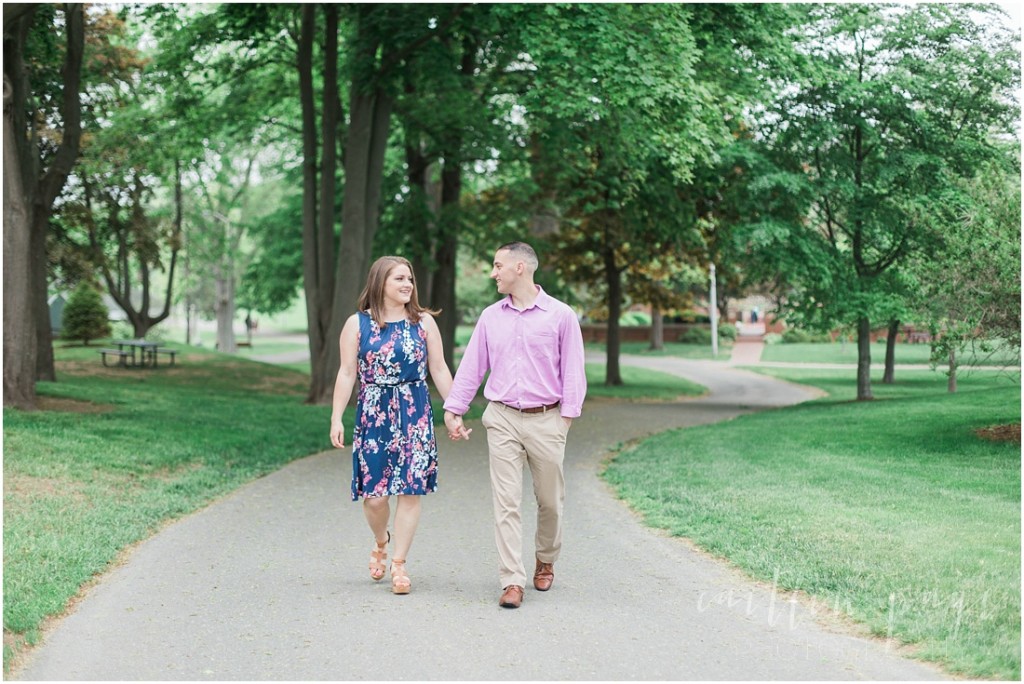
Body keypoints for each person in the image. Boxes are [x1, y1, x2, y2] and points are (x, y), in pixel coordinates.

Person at [443, 241, 587, 609]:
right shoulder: (491, 317)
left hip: (547, 419)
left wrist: (565, 419)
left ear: (520, 268)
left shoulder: (561, 315)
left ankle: (546, 558)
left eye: (497, 266)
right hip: (503, 417)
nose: (494, 273)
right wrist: (454, 408)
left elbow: (573, 370)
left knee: (550, 502)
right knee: (506, 502)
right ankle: (512, 580)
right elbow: (473, 365)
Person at [330, 256, 455, 595]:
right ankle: (381, 540)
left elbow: (439, 369)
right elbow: (346, 373)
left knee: (410, 490)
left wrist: (454, 410)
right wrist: (336, 417)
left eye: (410, 279)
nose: (407, 285)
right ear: (380, 282)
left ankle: (399, 563)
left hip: (415, 413)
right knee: (374, 498)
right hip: (374, 414)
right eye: (399, 278)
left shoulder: (424, 323)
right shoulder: (357, 325)